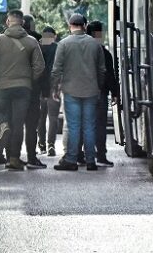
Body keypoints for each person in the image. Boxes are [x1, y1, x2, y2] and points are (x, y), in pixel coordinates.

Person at [0, 9, 45, 171]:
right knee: (18, 124)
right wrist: (28, 79)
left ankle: (3, 124)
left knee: (3, 115)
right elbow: (40, 66)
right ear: (22, 22)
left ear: (7, 22)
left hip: (3, 86)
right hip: (23, 88)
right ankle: (14, 159)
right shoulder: (32, 41)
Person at [52, 14, 105, 172]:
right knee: (89, 126)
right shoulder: (95, 44)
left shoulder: (63, 44)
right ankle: (90, 161)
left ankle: (71, 160)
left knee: (74, 126)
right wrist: (98, 87)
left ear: (70, 25)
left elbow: (56, 70)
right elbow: (102, 70)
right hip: (91, 90)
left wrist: (55, 88)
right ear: (85, 25)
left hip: (71, 90)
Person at [86, 20, 119, 167]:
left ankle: (85, 155)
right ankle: (100, 155)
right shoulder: (104, 53)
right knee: (100, 126)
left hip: (83, 93)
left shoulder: (83, 50)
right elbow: (110, 75)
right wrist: (115, 93)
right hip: (100, 94)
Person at [22, 14, 46, 169]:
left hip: (12, 88)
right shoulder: (36, 40)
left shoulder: (3, 39)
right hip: (32, 89)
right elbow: (41, 66)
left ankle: (9, 157)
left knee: (13, 124)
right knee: (31, 125)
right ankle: (31, 156)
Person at [38, 27, 60, 156]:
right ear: (54, 36)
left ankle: (42, 145)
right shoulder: (57, 48)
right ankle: (51, 144)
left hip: (40, 87)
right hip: (53, 86)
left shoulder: (37, 47)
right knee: (53, 117)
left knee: (40, 118)